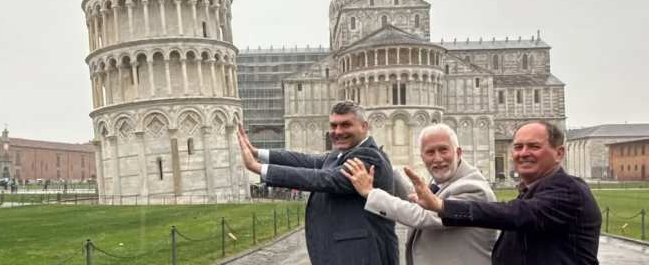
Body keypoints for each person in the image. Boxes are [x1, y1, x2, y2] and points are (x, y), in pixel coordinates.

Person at [404, 120, 601, 265]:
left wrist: (442, 205)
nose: (523, 153)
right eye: (518, 147)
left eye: (534, 146)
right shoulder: (533, 190)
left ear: (559, 153)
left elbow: (518, 213)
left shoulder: (569, 191)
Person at [236, 100, 398, 265]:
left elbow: (324, 179)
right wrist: (258, 153)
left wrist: (258, 168)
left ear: (364, 126)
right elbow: (307, 161)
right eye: (333, 125)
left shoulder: (369, 157)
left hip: (362, 256)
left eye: (345, 125)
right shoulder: (341, 153)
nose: (338, 131)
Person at [342, 123, 497, 265]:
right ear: (422, 157)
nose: (437, 158)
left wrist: (370, 193)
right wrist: (386, 166)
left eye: (443, 150)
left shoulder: (474, 188)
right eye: (430, 152)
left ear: (458, 152)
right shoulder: (443, 181)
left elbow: (424, 216)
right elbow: (418, 201)